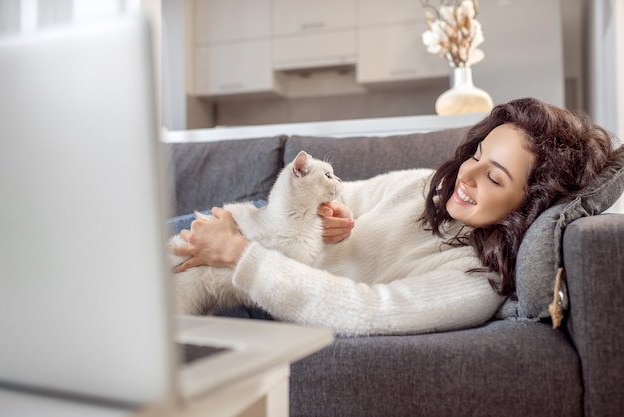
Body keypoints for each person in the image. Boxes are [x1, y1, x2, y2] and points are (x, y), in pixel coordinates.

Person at [172, 97, 617, 336]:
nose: (468, 175)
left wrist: (238, 254)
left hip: (251, 294)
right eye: (477, 155)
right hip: (240, 231)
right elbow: (354, 194)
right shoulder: (431, 187)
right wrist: (336, 213)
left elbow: (366, 311)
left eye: (495, 178)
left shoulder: (474, 281)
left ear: (530, 203)